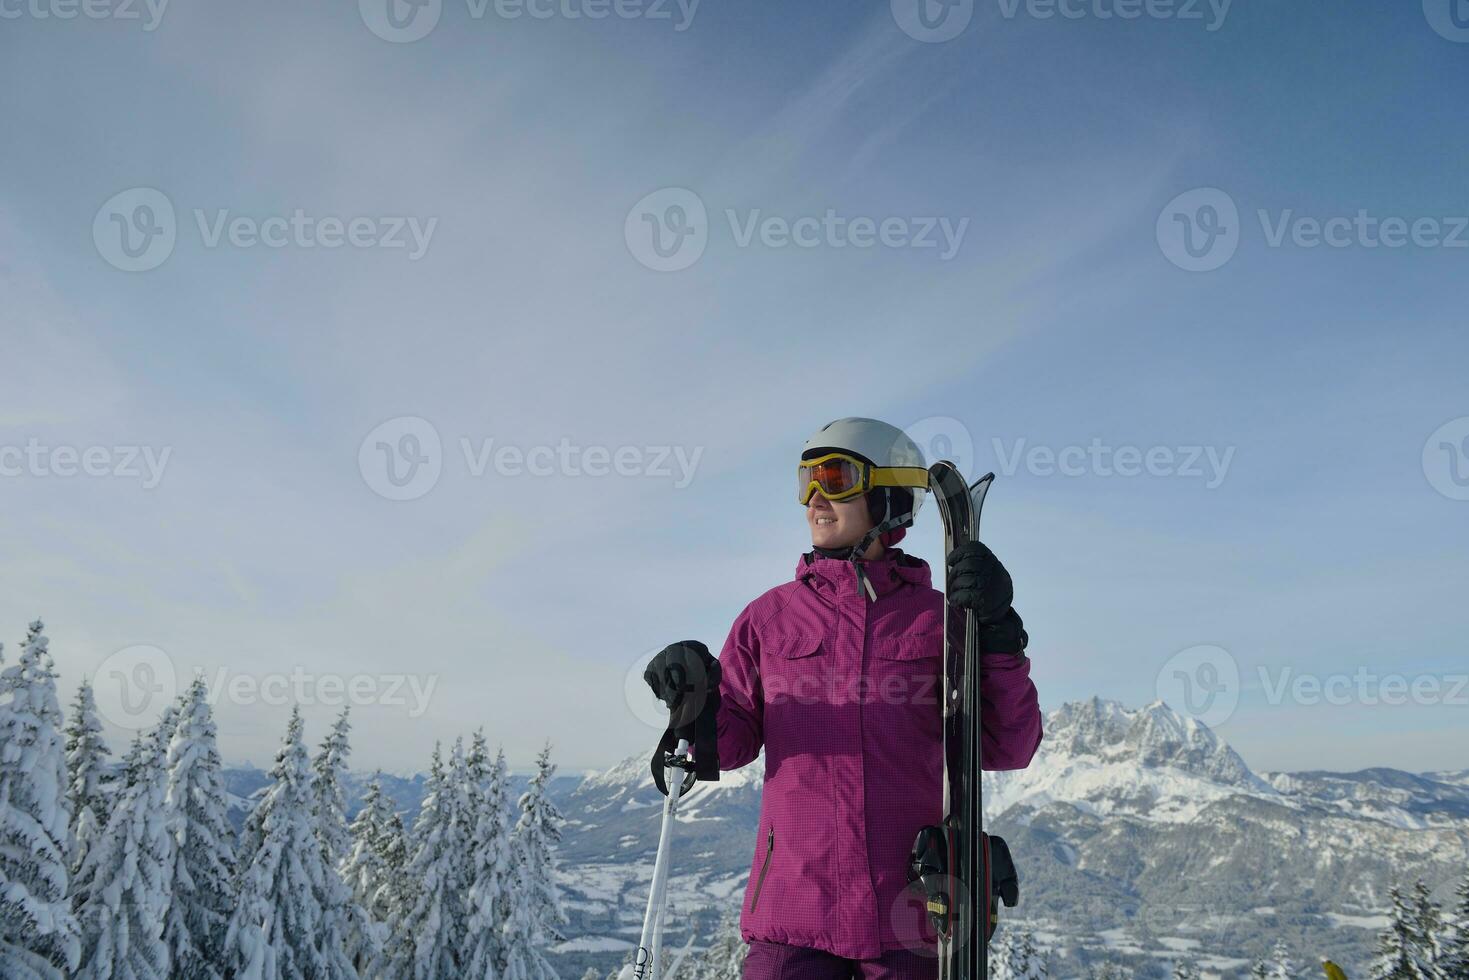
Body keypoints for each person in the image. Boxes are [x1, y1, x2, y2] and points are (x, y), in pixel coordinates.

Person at [644, 417, 1042, 980]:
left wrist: (999, 637)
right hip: (792, 918)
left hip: (907, 919)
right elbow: (728, 746)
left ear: (886, 498)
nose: (814, 499)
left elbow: (1008, 746)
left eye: (834, 478)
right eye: (805, 481)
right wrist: (696, 701)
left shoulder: (940, 622)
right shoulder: (768, 618)